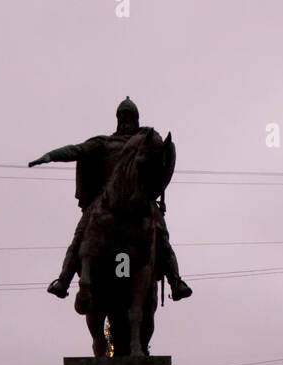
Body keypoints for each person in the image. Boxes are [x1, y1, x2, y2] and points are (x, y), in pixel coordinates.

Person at [29, 97, 192, 301]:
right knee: (80, 236)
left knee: (161, 234)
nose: (125, 119)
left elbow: (160, 156)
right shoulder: (104, 143)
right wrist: (50, 156)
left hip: (140, 199)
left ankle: (175, 281)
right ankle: (64, 279)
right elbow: (76, 150)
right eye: (122, 115)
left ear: (135, 118)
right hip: (104, 200)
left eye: (129, 115)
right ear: (117, 118)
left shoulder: (145, 138)